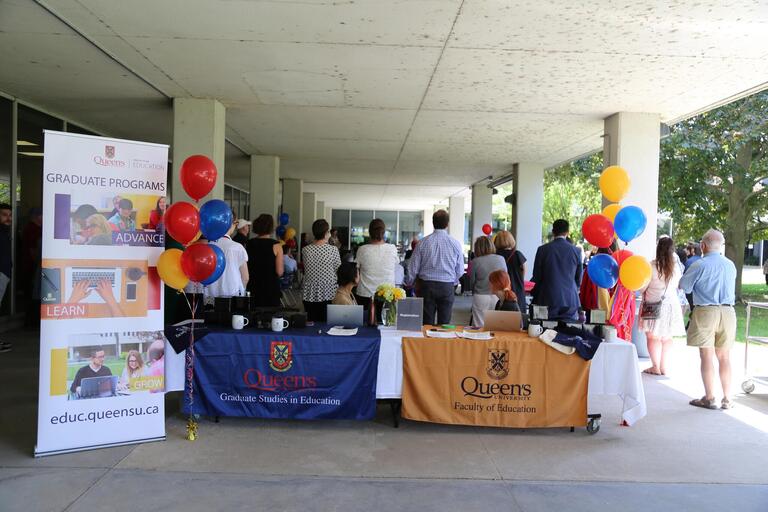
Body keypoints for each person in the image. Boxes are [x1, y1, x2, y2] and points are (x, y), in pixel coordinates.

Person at [679, 229, 737, 410]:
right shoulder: (730, 265)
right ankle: (727, 399)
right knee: (724, 357)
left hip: (705, 311)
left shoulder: (699, 264)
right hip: (728, 312)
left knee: (706, 356)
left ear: (703, 246)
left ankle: (710, 397)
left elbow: (685, 287)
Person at [406, 210, 464, 325]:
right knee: (445, 323)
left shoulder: (422, 243)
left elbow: (413, 268)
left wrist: (410, 283)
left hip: (426, 286)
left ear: (433, 223)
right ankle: (442, 342)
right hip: (447, 286)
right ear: (447, 224)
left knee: (426, 323)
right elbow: (460, 270)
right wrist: (453, 281)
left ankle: (427, 342)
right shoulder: (455, 244)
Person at [640, 237, 685, 376]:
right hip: (671, 305)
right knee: (667, 337)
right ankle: (664, 367)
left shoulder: (651, 266)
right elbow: (677, 286)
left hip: (652, 304)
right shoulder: (676, 268)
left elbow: (643, 287)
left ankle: (655, 366)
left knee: (652, 337)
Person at [530, 219, 583, 321]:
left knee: (544, 329)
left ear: (553, 232)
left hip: (546, 298)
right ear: (567, 232)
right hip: (570, 300)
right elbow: (578, 278)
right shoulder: (576, 251)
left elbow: (536, 275)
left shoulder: (542, 250)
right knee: (568, 331)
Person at [355, 218, 399, 319]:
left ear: (370, 233)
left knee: (364, 331)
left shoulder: (362, 250)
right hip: (387, 296)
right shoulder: (392, 249)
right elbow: (395, 265)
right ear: (384, 232)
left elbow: (356, 270)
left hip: (365, 295)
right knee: (387, 329)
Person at [301, 219, 341, 321]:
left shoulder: (305, 250)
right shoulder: (333, 250)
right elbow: (338, 270)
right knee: (327, 323)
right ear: (326, 233)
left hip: (309, 293)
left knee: (311, 323)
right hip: (328, 292)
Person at [468, 236, 507, 327]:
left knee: (479, 326)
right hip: (498, 296)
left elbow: (472, 281)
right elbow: (505, 278)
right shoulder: (501, 259)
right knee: (495, 326)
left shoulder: (475, 261)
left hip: (480, 296)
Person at [206, 217, 249, 298]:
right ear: (232, 224)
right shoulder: (237, 247)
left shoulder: (207, 247)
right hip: (232, 296)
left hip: (210, 295)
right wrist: (241, 293)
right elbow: (245, 277)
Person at [246, 214, 282, 306]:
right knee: (270, 317)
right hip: (270, 287)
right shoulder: (276, 245)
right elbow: (279, 271)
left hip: (253, 285)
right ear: (271, 227)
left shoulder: (248, 244)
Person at [493, 230, 527, 316]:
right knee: (519, 315)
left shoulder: (495, 255)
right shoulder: (517, 254)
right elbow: (524, 270)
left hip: (501, 290)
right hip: (517, 288)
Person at [0, 203, 12, 353]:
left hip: (4, 274)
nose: (8, 218)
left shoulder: (5, 231)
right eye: (4, 215)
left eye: (9, 215)